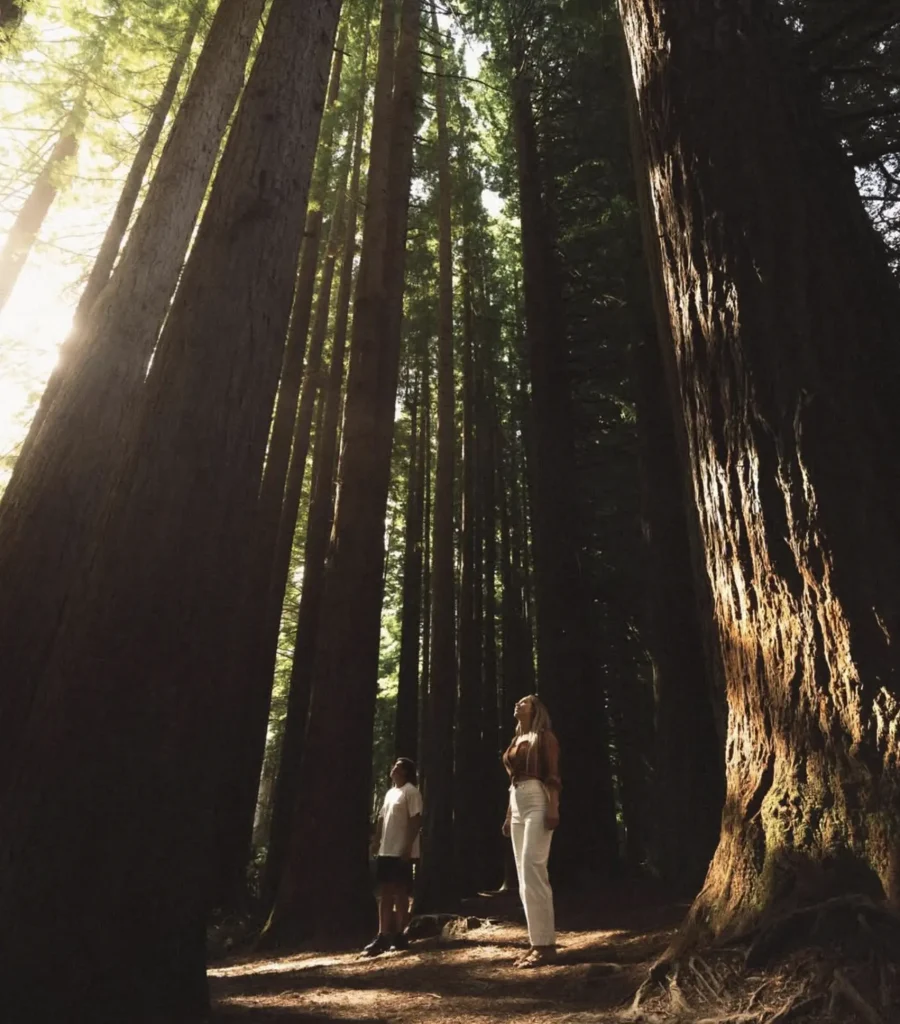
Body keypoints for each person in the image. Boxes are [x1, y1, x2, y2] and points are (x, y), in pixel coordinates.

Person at [501, 694, 561, 968]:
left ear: (535, 709)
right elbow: (512, 781)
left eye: (523, 702)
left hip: (538, 799)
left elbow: (552, 776)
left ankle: (546, 946)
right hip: (517, 803)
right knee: (523, 876)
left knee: (533, 868)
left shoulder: (544, 737)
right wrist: (508, 814)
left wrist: (553, 808)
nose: (518, 704)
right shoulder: (515, 740)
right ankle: (536, 941)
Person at [362, 757, 422, 957]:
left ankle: (400, 935)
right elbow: (381, 818)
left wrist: (407, 847)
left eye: (397, 766)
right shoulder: (390, 793)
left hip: (401, 850)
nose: (393, 768)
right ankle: (382, 935)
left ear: (405, 772)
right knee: (385, 892)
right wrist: (376, 841)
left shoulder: (411, 792)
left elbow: (416, 820)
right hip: (386, 850)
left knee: (401, 892)